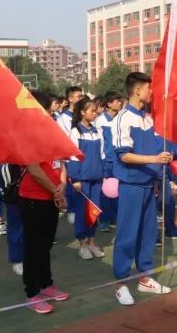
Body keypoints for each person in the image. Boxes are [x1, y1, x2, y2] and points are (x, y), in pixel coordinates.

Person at [112, 72, 172, 306]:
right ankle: (121, 283)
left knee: (148, 233)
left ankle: (145, 277)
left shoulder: (148, 118)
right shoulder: (123, 119)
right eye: (148, 88)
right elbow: (124, 155)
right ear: (137, 90)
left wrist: (158, 167)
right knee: (127, 234)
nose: (151, 92)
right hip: (131, 185)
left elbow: (153, 152)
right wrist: (154, 160)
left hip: (149, 184)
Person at [19, 90, 70, 314]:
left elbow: (60, 162)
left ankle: (46, 284)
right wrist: (56, 192)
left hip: (51, 196)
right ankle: (32, 293)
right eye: (48, 108)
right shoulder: (27, 134)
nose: (52, 111)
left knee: (46, 245)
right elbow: (34, 169)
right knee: (34, 247)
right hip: (33, 198)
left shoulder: (51, 131)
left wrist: (62, 185)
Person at [67, 97, 105, 260]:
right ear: (82, 113)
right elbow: (73, 157)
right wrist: (75, 179)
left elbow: (102, 154)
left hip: (96, 178)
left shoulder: (97, 131)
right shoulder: (76, 132)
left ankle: (91, 242)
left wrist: (104, 175)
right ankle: (82, 244)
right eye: (92, 111)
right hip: (81, 180)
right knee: (82, 212)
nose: (95, 113)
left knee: (94, 212)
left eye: (96, 111)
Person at [95, 91, 124, 231]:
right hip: (106, 161)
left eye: (120, 100)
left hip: (120, 161)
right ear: (109, 104)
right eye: (117, 101)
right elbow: (100, 143)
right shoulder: (100, 121)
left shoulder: (121, 119)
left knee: (118, 190)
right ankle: (105, 220)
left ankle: (116, 218)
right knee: (106, 191)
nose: (120, 103)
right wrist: (101, 161)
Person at [57, 86, 84, 224]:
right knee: (72, 185)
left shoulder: (83, 115)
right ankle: (72, 209)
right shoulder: (63, 118)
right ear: (70, 98)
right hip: (69, 157)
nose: (80, 99)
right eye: (78, 96)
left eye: (81, 96)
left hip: (83, 156)